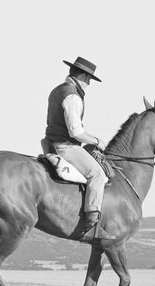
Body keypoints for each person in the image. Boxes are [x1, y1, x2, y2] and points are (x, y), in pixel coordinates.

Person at [44, 57, 115, 242]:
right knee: (98, 174)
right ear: (82, 75)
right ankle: (91, 225)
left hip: (52, 142)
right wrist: (98, 141)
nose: (89, 83)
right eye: (89, 78)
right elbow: (76, 132)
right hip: (65, 146)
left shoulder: (57, 90)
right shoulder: (72, 95)